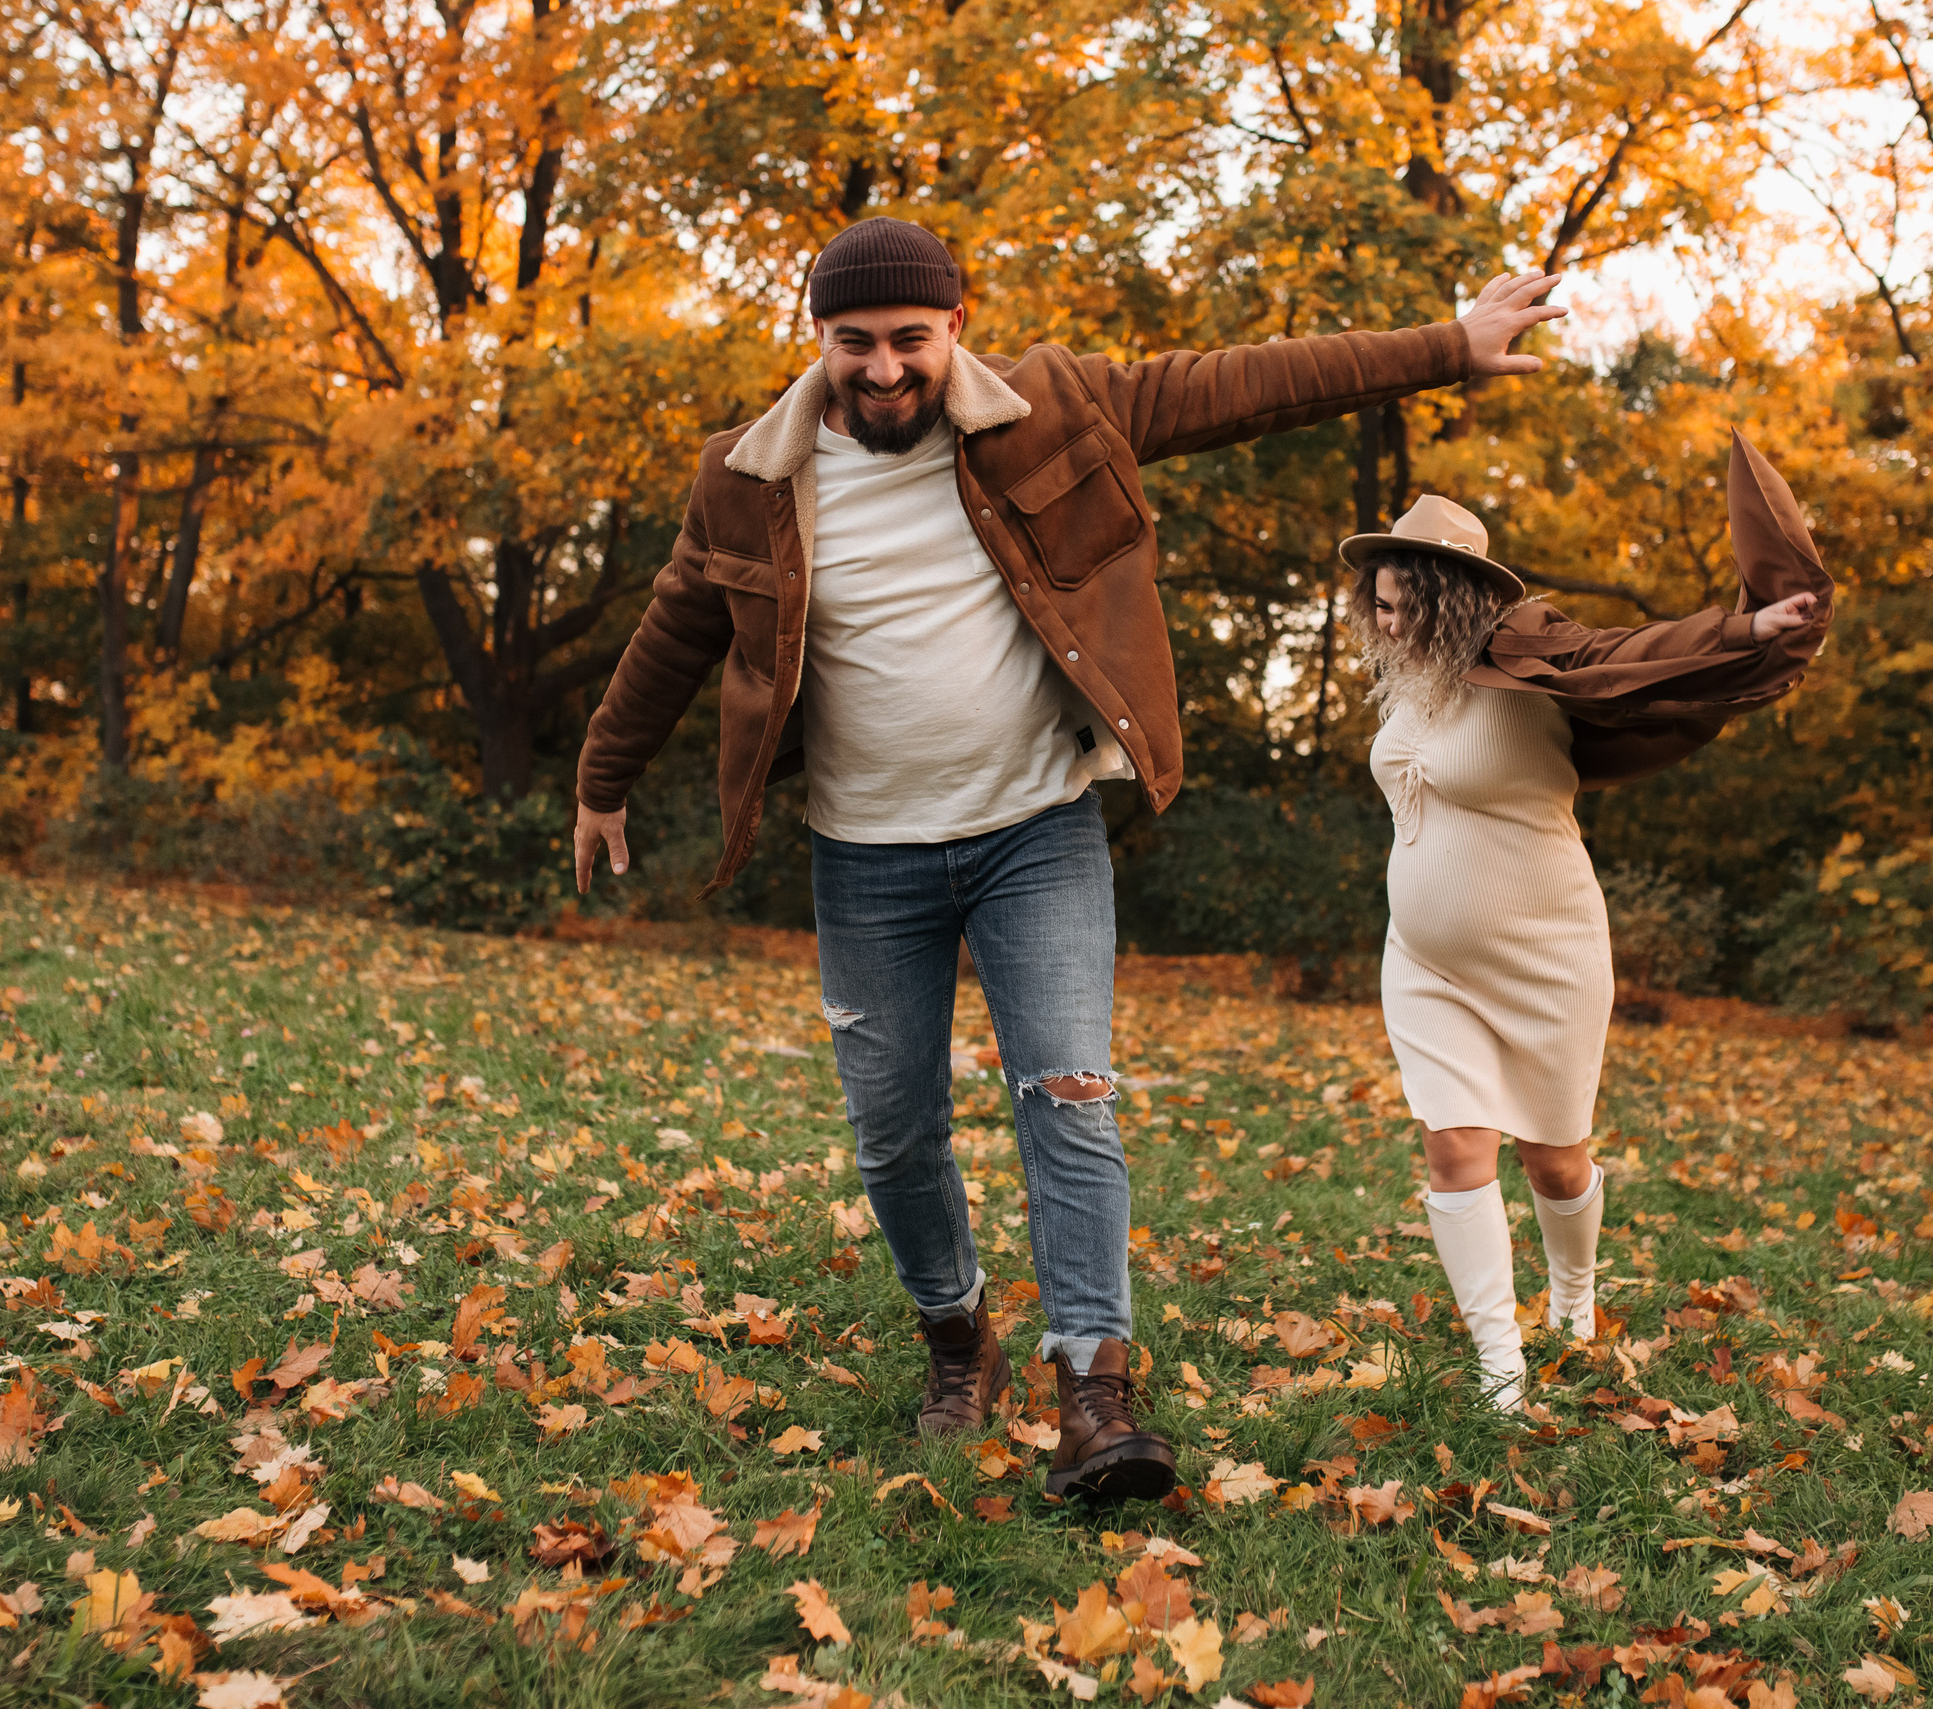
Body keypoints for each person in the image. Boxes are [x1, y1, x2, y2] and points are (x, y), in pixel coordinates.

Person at [569, 215, 1568, 1499]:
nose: (882, 370)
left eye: (908, 341)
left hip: (1035, 830)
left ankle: (1094, 1387)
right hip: (866, 855)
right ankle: (955, 1337)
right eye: (853, 343)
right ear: (814, 337)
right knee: (893, 1133)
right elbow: (672, 626)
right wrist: (602, 777)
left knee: (1070, 1096)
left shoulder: (1053, 406)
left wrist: (1449, 345)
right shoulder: (749, 476)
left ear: (956, 328)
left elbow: (1239, 383)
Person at [1346, 434, 1832, 1410]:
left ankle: (1574, 1299)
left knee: (1555, 1156)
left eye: (1401, 606)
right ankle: (1499, 1370)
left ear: (1447, 601)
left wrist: (1747, 629)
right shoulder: (1406, 692)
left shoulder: (1530, 654)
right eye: (1378, 604)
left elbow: (1632, 659)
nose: (1383, 621)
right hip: (1425, 963)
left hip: (1547, 949)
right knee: (1453, 1146)